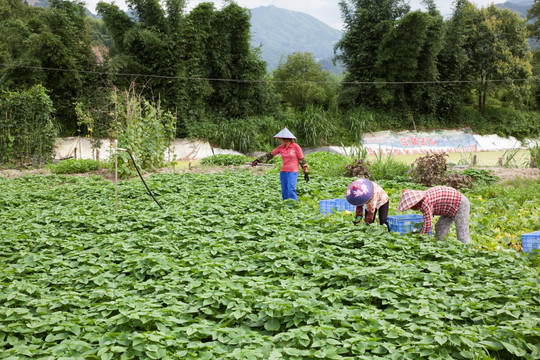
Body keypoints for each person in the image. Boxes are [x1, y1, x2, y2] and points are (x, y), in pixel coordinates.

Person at [251, 127, 309, 201]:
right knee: (284, 191)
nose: (280, 141)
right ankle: (286, 207)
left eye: (280, 139)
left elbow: (302, 160)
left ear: (285, 139)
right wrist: (257, 160)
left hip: (293, 171)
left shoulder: (296, 147)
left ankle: (294, 206)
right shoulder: (280, 147)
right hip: (283, 171)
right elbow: (270, 155)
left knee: (291, 189)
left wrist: (306, 172)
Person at [397, 186, 471, 244]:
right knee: (440, 226)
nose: (412, 209)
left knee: (462, 235)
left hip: (460, 204)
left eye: (411, 207)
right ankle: (439, 246)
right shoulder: (424, 198)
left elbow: (427, 224)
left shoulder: (425, 202)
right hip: (448, 209)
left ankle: (467, 253)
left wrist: (422, 240)